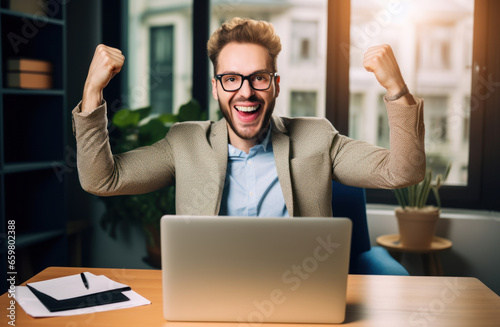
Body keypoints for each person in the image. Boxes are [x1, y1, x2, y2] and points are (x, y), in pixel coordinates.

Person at [72, 17, 425, 217]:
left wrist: (396, 89)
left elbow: (403, 171)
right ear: (216, 88)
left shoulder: (317, 138)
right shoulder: (184, 143)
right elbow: (102, 180)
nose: (245, 91)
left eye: (259, 77)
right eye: (231, 79)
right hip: (209, 297)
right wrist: (92, 93)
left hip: (299, 296)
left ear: (275, 85)